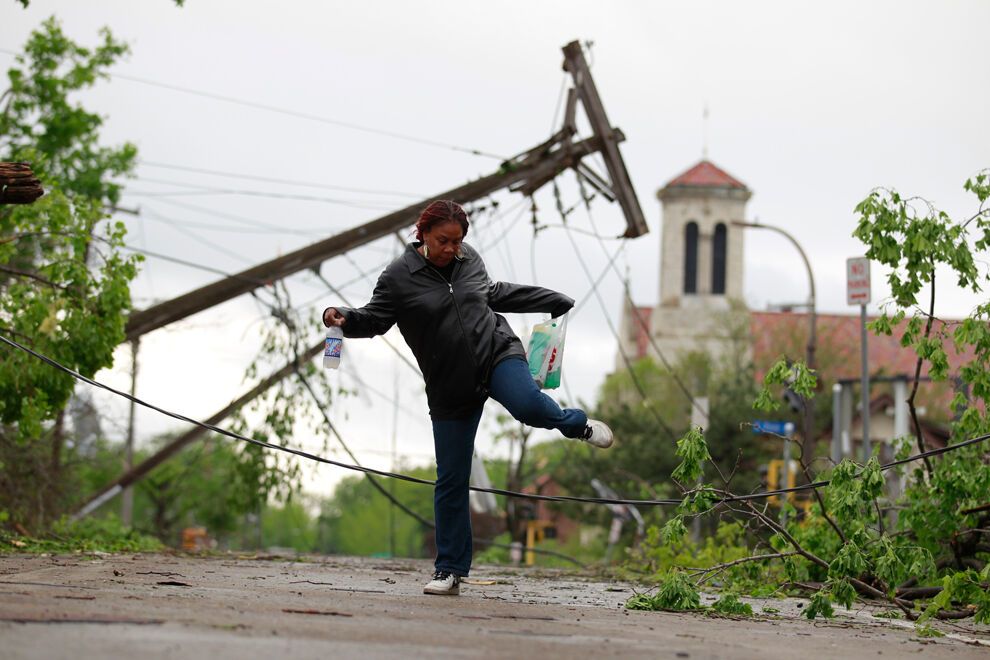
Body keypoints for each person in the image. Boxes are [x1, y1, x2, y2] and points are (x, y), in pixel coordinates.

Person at [323, 199, 613, 596]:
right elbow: (374, 319)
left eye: (458, 241)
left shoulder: (468, 258)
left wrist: (548, 298)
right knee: (452, 478)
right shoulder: (397, 277)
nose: (451, 249)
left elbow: (492, 293)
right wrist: (340, 316)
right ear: (422, 234)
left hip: (496, 354)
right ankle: (450, 570)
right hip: (448, 384)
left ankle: (577, 425)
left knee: (529, 406)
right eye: (443, 241)